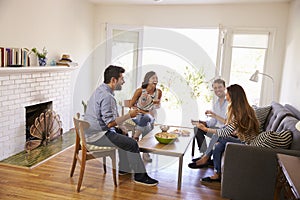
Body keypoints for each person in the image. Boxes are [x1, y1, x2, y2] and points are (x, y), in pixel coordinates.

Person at [84, 65, 159, 186]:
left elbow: (110, 118)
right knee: (132, 143)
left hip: (93, 131)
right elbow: (109, 123)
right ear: (113, 80)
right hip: (97, 135)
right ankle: (140, 177)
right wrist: (129, 115)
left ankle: (124, 168)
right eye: (121, 79)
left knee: (125, 135)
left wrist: (122, 127)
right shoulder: (107, 96)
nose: (123, 82)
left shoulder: (101, 90)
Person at [195, 84, 259, 182]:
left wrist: (205, 129)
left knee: (219, 136)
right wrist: (215, 116)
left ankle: (206, 157)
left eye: (227, 94)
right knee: (217, 146)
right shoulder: (242, 108)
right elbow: (229, 125)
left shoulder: (239, 112)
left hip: (246, 144)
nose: (226, 96)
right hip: (240, 138)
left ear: (233, 96)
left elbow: (225, 131)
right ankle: (217, 174)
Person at [188, 78, 228, 169]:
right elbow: (213, 122)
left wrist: (214, 116)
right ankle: (204, 155)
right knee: (198, 129)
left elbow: (228, 123)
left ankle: (205, 158)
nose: (217, 90)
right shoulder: (216, 103)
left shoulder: (229, 102)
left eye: (220, 87)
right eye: (215, 88)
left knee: (216, 131)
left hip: (224, 131)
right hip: (216, 129)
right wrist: (203, 123)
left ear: (225, 87)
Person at [129, 71, 162, 162]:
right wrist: (141, 110)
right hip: (138, 114)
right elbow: (131, 104)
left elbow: (157, 106)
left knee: (147, 120)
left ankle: (135, 138)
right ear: (147, 80)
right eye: (153, 78)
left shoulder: (158, 92)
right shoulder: (140, 91)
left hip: (150, 115)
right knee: (146, 121)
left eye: (156, 78)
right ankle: (146, 153)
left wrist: (156, 104)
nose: (155, 80)